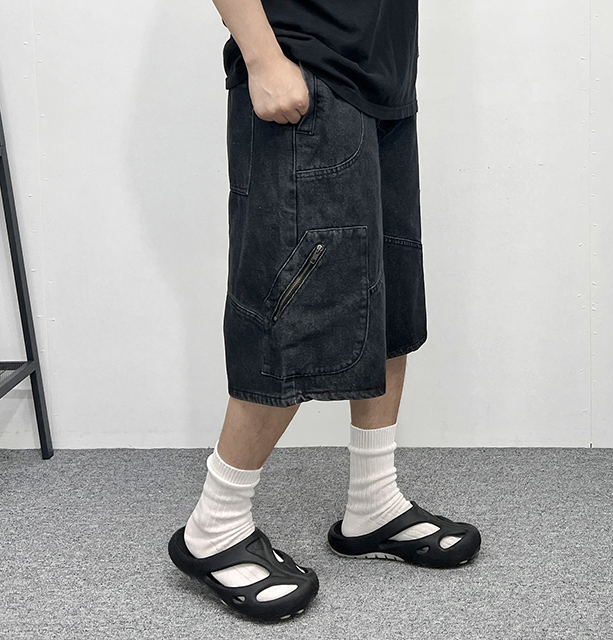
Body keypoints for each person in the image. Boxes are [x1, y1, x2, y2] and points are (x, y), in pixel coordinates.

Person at [168, 0, 481, 623]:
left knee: (388, 302)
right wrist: (263, 59)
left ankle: (373, 501)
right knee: (293, 310)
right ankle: (215, 524)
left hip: (383, 81)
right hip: (305, 71)